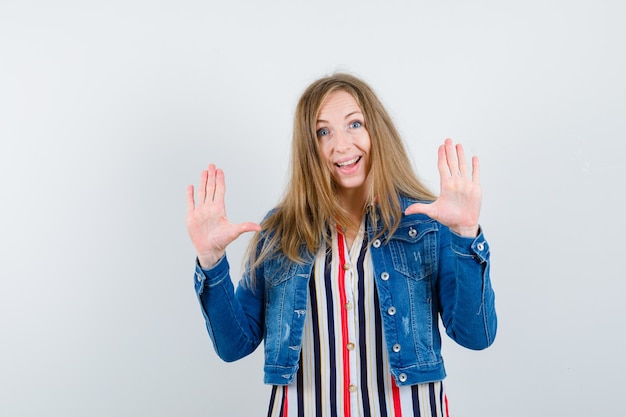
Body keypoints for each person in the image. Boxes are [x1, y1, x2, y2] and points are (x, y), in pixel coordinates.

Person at [186, 73, 497, 417]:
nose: (342, 145)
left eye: (354, 124)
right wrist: (211, 260)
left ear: (376, 130)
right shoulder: (279, 232)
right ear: (310, 147)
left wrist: (466, 234)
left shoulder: (425, 225)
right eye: (323, 132)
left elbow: (476, 335)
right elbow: (235, 345)